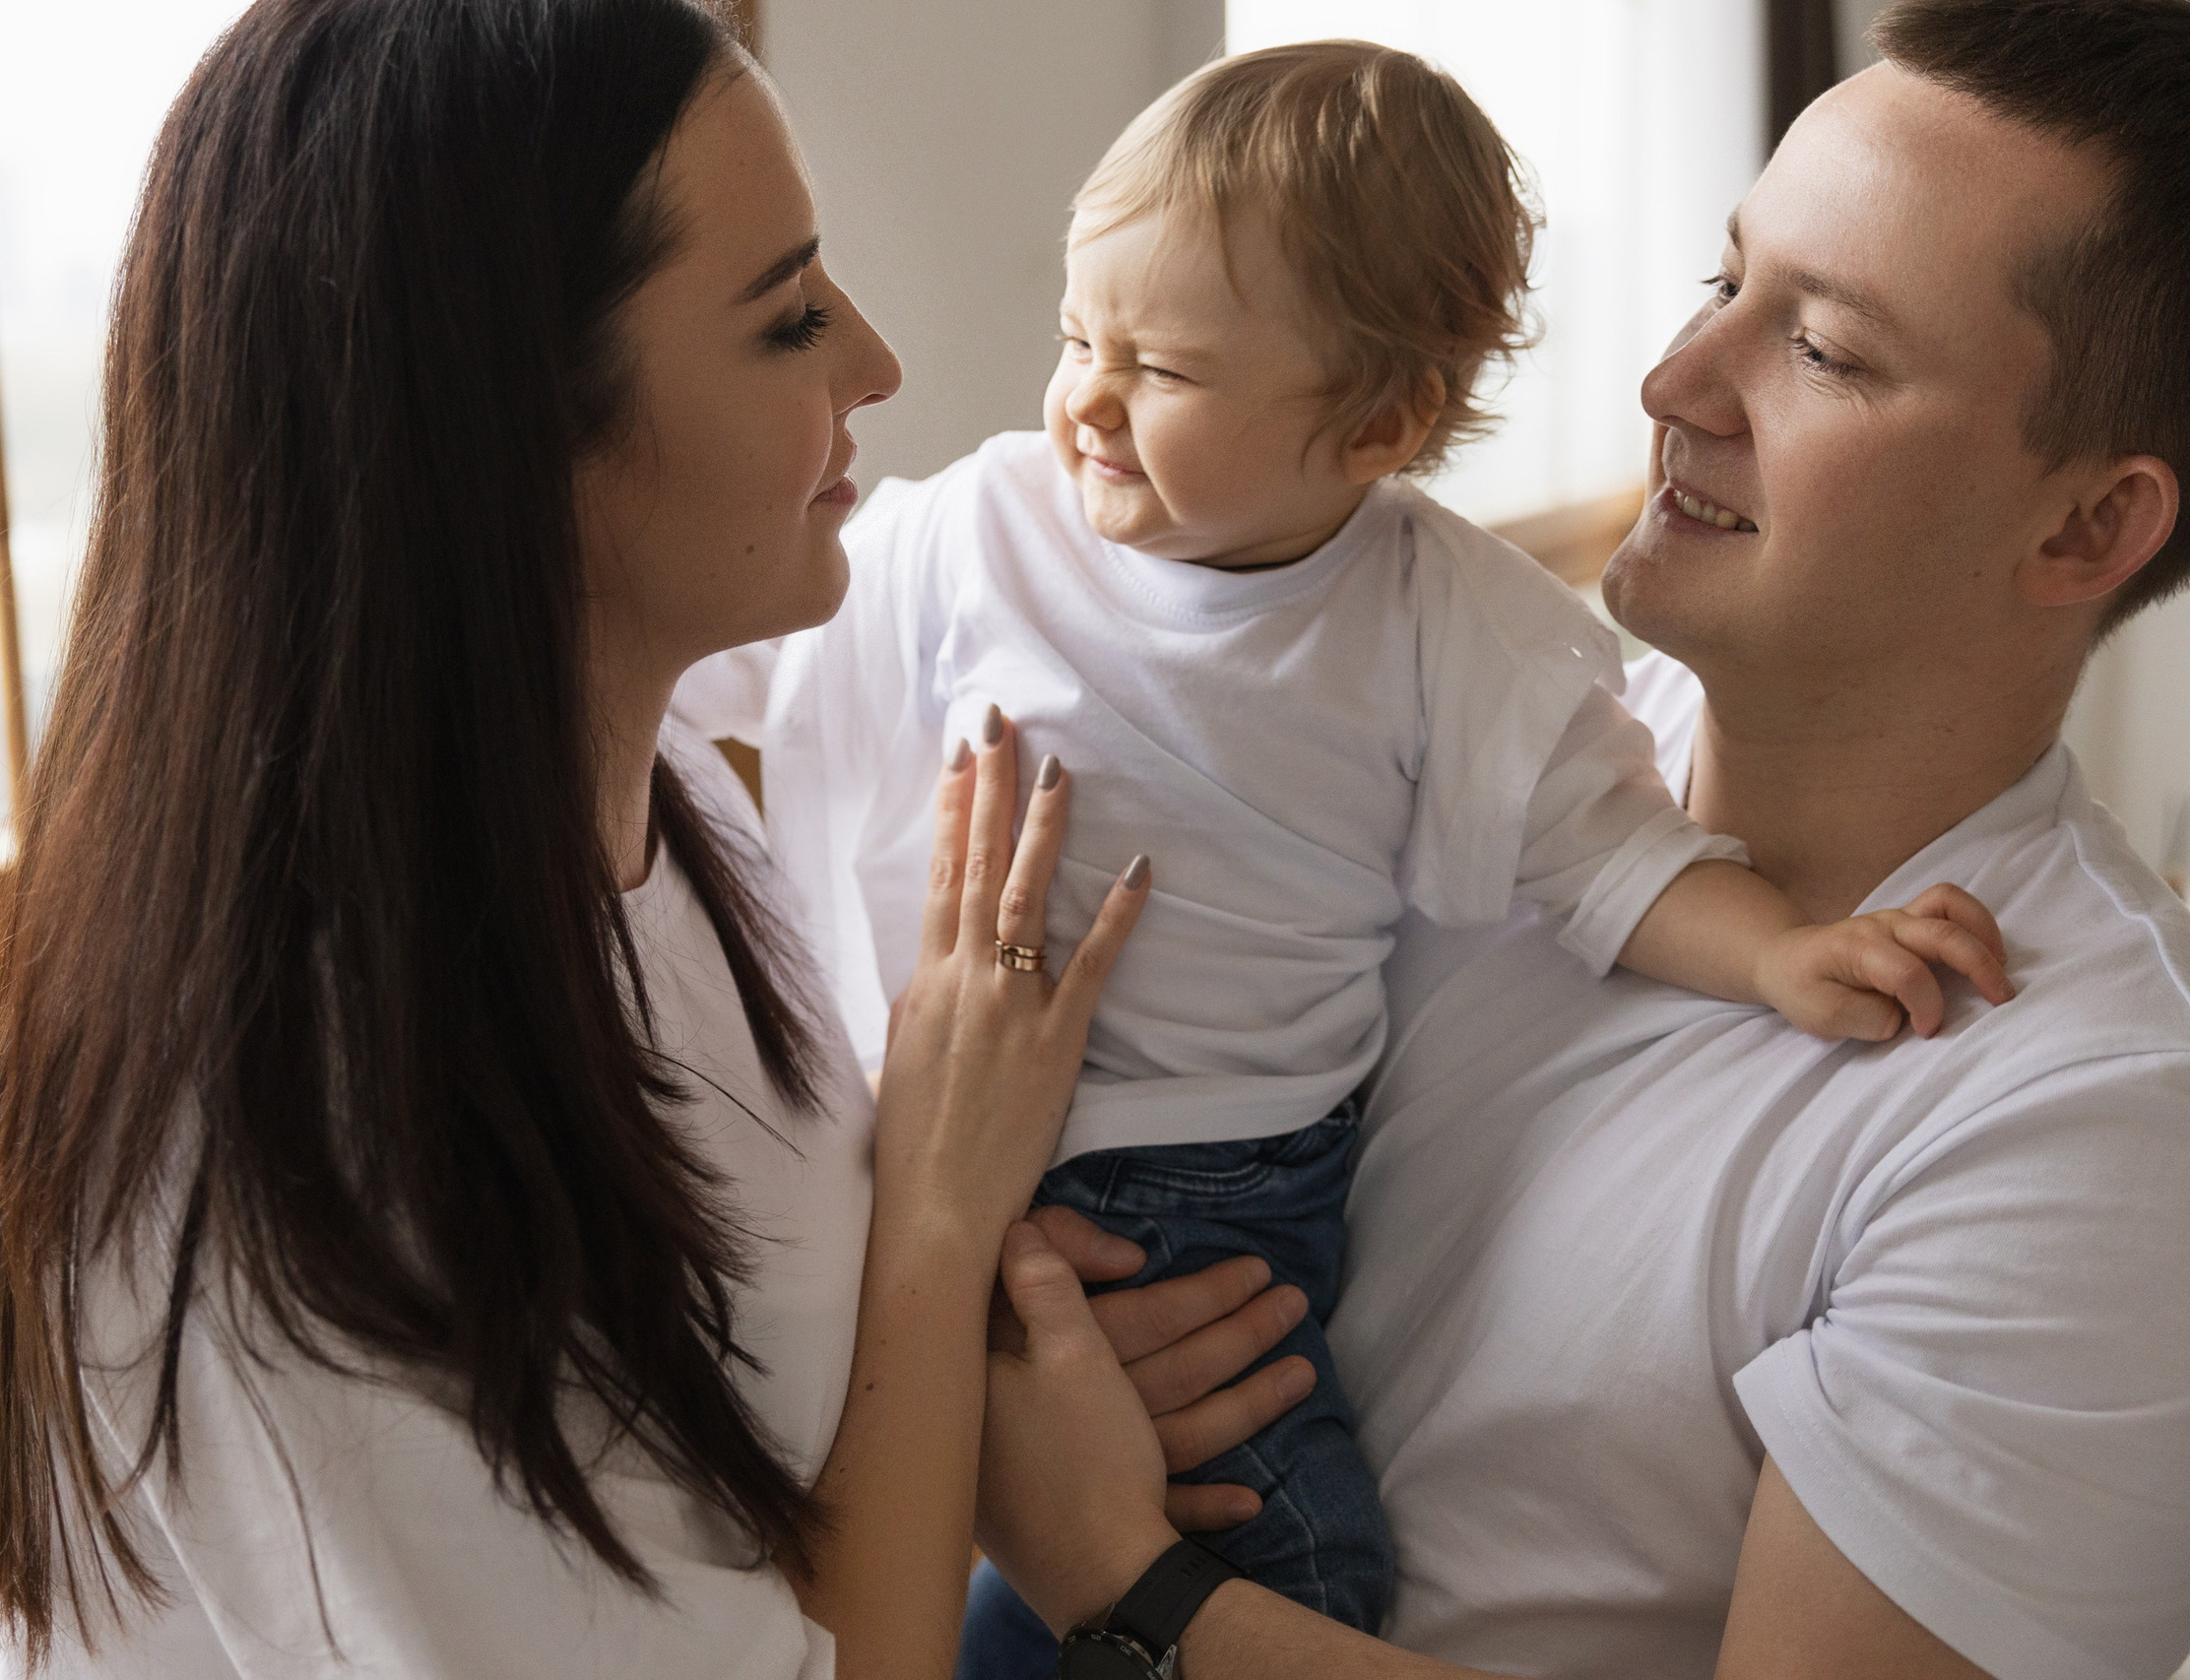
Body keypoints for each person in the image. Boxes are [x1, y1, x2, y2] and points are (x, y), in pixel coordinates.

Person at [0, 4, 1315, 1676]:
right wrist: (944, 1232)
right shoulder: (301, 1143)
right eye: (790, 314)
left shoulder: (653, 806)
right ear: (515, 432)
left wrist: (999, 1368)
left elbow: (759, 1434)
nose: (876, 363)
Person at [676, 38, 2011, 1666]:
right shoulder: (982, 529)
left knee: (1274, 1535)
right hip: (933, 1143)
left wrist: (1785, 952)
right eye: (1075, 335)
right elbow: (716, 655)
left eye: (1159, 371)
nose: (1085, 397)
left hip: (1213, 1190)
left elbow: (1612, 858)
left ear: (1379, 423)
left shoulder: (1439, 624)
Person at [970, 2, 2190, 1677]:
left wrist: (1115, 1572)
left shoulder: (2094, 1123)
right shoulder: (1452, 728)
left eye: (1823, 349)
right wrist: (1013, 1327)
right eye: (1722, 280)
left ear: (2089, 522)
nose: (1674, 380)